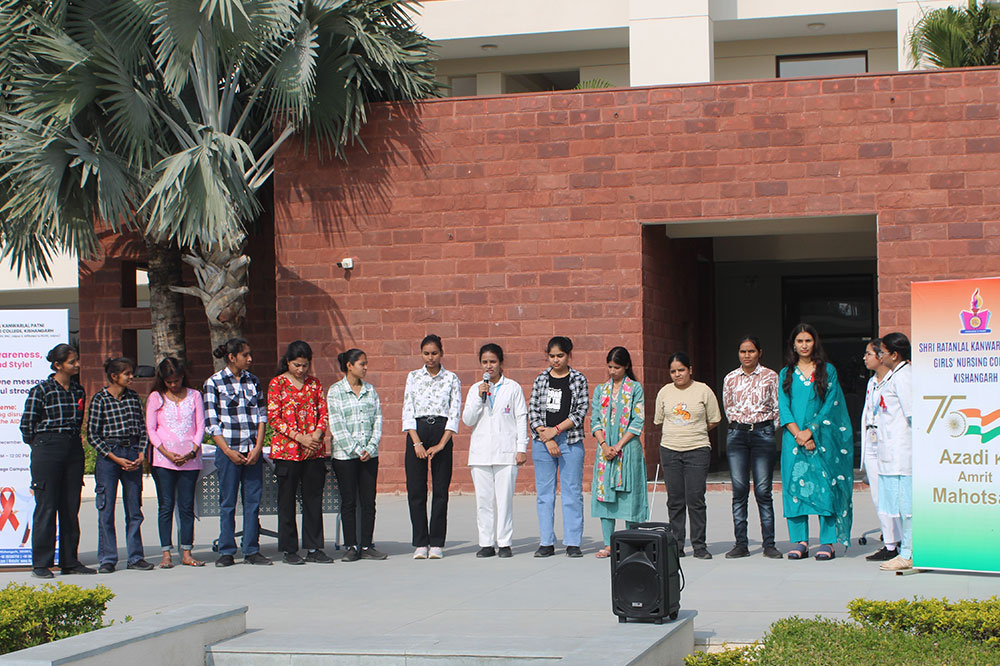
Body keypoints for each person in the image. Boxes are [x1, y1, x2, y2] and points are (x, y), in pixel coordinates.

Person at [778, 323, 854, 561]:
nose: (804, 345)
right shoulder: (786, 373)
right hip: (793, 441)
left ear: (815, 343)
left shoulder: (827, 370)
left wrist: (810, 432)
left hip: (822, 440)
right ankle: (800, 541)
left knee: (824, 488)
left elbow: (831, 405)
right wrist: (799, 435)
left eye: (808, 341)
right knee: (794, 489)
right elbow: (784, 408)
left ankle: (827, 542)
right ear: (793, 344)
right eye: (799, 341)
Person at [20, 344, 96, 579]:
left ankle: (69, 561)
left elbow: (79, 421)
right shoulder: (41, 390)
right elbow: (27, 425)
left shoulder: (78, 390)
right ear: (58, 365)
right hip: (47, 448)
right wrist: (42, 446)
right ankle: (42, 563)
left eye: (77, 360)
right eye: (72, 362)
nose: (77, 365)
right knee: (46, 506)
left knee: (70, 506)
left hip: (72, 448)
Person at [204, 338, 270, 567]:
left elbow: (262, 416)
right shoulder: (214, 382)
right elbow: (212, 422)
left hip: (252, 451)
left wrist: (258, 447)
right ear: (232, 357)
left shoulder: (253, 381)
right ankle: (226, 550)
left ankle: (251, 549)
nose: (250, 359)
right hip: (228, 452)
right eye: (245, 355)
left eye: (250, 354)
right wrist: (227, 450)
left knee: (252, 502)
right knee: (228, 502)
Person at [462, 343, 528, 558]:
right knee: (483, 501)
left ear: (501, 363)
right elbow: (467, 419)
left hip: (506, 452)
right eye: (484, 362)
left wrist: (521, 448)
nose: (488, 366)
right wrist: (479, 398)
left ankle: (505, 542)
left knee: (504, 500)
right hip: (480, 453)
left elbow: (521, 418)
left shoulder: (513, 388)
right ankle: (486, 543)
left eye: (492, 361)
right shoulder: (476, 389)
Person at [268, 341, 331, 565]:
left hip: (313, 451)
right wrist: (299, 437)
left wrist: (316, 435)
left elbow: (323, 412)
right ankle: (289, 549)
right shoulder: (277, 384)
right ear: (288, 362)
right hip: (287, 452)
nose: (301, 370)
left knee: (313, 500)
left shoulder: (314, 384)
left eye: (305, 365)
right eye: (297, 365)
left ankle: (314, 547)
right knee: (287, 501)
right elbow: (274, 417)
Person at [88, 357, 153, 573]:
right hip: (110, 456)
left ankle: (136, 556)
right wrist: (114, 457)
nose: (131, 377)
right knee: (106, 508)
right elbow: (92, 434)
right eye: (127, 374)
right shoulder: (100, 399)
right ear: (114, 376)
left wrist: (141, 453)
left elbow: (142, 428)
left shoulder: (133, 397)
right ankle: (107, 558)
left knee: (134, 508)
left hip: (132, 452)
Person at [653, 352, 721, 559]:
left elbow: (714, 419)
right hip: (670, 450)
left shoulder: (703, 390)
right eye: (673, 371)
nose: (677, 374)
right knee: (675, 500)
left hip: (697, 450)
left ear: (690, 370)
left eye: (681, 370)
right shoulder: (664, 392)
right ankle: (676, 546)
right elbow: (659, 420)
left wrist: (695, 430)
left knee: (695, 498)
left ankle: (699, 545)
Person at [401, 334, 462, 560]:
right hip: (417, 431)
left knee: (440, 490)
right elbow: (408, 409)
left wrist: (442, 443)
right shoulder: (413, 376)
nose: (430, 357)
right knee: (416, 490)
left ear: (441, 353)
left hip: (441, 430)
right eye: (426, 353)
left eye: (434, 353)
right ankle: (420, 542)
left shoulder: (451, 378)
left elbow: (454, 412)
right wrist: (416, 442)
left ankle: (436, 542)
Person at [528, 336, 589, 558]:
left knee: (572, 492)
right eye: (552, 356)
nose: (556, 360)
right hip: (543, 443)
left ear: (569, 355)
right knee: (545, 494)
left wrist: (556, 431)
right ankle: (546, 542)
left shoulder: (578, 379)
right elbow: (533, 411)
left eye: (560, 356)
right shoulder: (541, 379)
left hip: (570, 441)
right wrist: (547, 437)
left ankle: (573, 542)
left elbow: (580, 411)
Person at [722, 336, 781, 559]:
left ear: (759, 353)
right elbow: (728, 407)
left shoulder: (770, 376)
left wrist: (767, 429)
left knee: (763, 491)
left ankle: (769, 544)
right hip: (737, 435)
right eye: (743, 351)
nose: (747, 355)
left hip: (762, 434)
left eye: (751, 351)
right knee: (739, 491)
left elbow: (777, 407)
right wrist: (740, 426)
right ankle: (741, 544)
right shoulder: (730, 378)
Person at [146, 357, 205, 569]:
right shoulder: (156, 397)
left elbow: (200, 426)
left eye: (177, 380)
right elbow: (151, 429)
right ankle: (166, 553)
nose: (173, 385)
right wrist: (166, 452)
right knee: (166, 505)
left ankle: (187, 551)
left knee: (186, 506)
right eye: (169, 382)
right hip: (163, 460)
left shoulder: (194, 395)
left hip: (190, 459)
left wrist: (192, 451)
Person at [328, 349, 385, 561]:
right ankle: (351, 545)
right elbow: (337, 425)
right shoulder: (336, 391)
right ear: (349, 366)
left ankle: (367, 544)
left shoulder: (370, 390)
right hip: (345, 456)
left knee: (368, 501)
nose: (365, 368)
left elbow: (378, 420)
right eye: (362, 364)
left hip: (369, 455)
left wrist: (370, 447)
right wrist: (356, 449)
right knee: (349, 501)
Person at [590, 347, 648, 559]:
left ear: (626, 366)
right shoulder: (601, 390)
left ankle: (630, 543)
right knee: (606, 495)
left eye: (617, 367)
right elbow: (595, 420)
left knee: (629, 496)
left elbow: (638, 420)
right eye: (610, 367)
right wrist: (605, 445)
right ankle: (608, 544)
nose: (612, 371)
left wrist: (618, 446)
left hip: (627, 450)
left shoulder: (635, 389)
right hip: (605, 452)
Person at [859, 338, 902, 562]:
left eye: (869, 354)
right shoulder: (871, 382)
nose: (865, 358)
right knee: (878, 496)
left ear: (881, 356)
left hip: (891, 443)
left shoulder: (895, 379)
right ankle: (890, 543)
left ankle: (902, 540)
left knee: (894, 494)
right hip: (872, 440)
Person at [875, 332, 914, 572]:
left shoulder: (904, 377)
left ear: (895, 354)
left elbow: (912, 414)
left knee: (907, 508)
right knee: (899, 506)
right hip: (891, 452)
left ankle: (909, 553)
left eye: (883, 352)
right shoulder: (894, 376)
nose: (880, 356)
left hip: (902, 453)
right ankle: (906, 550)